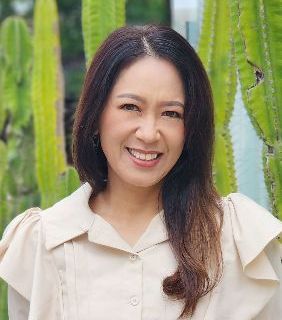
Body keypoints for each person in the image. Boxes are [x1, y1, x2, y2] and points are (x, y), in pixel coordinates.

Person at [0, 24, 281, 320]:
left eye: (171, 113)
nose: (149, 133)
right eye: (131, 107)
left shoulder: (240, 241)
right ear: (97, 115)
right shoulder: (41, 242)